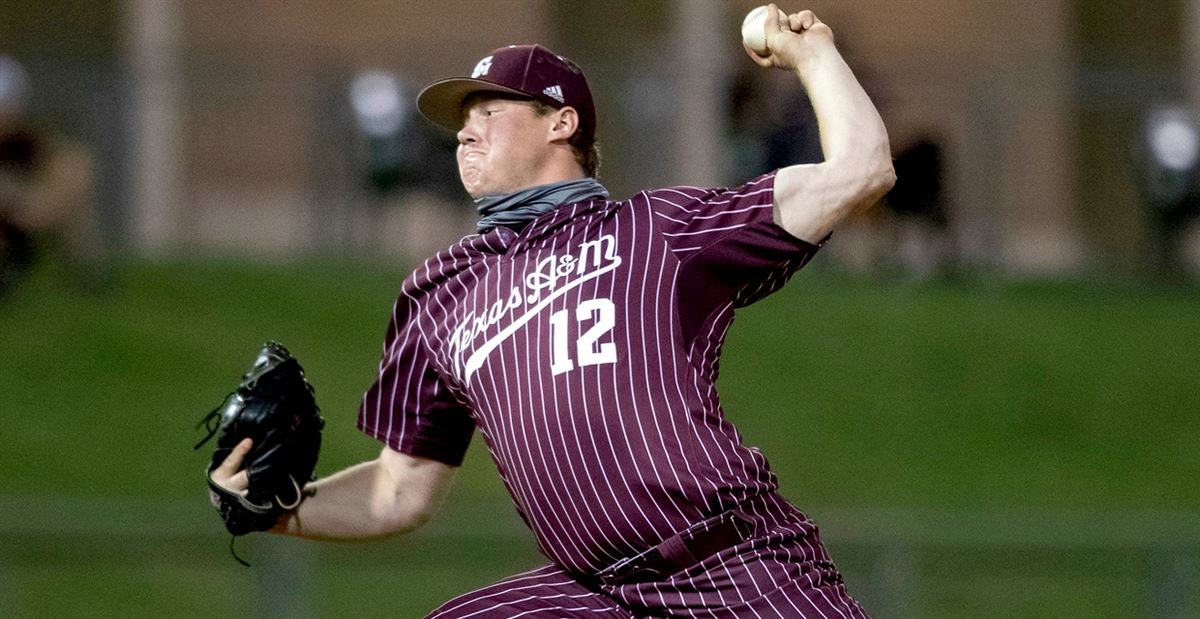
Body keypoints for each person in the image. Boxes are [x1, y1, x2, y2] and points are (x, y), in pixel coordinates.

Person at [212, 6, 894, 617]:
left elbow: (861, 168)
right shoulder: (442, 292)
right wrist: (275, 508)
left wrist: (814, 54)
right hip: (598, 592)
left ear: (561, 121)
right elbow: (398, 490)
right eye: (460, 121)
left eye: (488, 110)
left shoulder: (655, 232)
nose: (464, 133)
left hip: (733, 565)